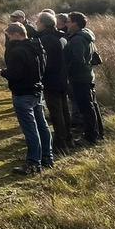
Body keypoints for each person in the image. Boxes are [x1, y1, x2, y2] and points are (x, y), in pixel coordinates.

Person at [2, 22, 53, 174]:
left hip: (23, 93)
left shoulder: (18, 51)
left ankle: (33, 163)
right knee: (41, 125)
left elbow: (15, 74)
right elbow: (43, 69)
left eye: (9, 36)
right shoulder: (37, 47)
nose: (9, 39)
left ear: (17, 34)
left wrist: (5, 73)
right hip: (37, 90)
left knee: (30, 129)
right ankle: (47, 158)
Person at [64, 12, 104, 145]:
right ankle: (98, 133)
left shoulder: (77, 40)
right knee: (92, 106)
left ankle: (90, 137)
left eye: (68, 21)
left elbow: (77, 60)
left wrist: (67, 71)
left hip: (80, 77)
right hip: (87, 75)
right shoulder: (86, 35)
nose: (66, 24)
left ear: (75, 23)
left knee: (86, 108)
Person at [37, 11, 72, 156]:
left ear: (44, 24)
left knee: (56, 113)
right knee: (64, 110)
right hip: (63, 78)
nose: (36, 24)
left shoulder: (45, 39)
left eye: (38, 22)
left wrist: (41, 75)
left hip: (52, 80)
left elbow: (46, 63)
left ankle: (61, 144)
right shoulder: (61, 36)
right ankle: (68, 139)